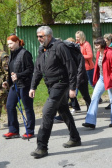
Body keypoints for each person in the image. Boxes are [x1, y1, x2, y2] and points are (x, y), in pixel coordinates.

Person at [29, 26, 81, 159]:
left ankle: (42, 147)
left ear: (49, 36)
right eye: (38, 36)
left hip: (61, 84)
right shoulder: (42, 50)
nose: (39, 39)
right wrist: (33, 87)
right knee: (63, 110)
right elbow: (38, 70)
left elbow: (71, 67)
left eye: (41, 36)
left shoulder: (59, 47)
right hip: (51, 85)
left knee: (47, 112)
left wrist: (72, 88)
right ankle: (75, 138)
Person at [82, 37, 112, 129]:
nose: (95, 47)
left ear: (102, 45)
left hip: (111, 79)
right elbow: (98, 66)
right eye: (95, 45)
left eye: (97, 45)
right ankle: (90, 122)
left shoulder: (110, 53)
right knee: (94, 98)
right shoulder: (99, 53)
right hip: (102, 78)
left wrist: (111, 79)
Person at [2, 35, 35, 139]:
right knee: (10, 106)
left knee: (28, 108)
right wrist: (7, 81)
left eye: (11, 43)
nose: (9, 46)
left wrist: (19, 75)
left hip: (25, 85)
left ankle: (30, 131)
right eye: (8, 44)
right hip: (14, 85)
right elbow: (10, 72)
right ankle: (13, 130)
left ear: (17, 42)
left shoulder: (25, 54)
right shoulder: (11, 55)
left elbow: (30, 69)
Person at [54, 38, 91, 123]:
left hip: (81, 79)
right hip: (70, 79)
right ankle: (63, 116)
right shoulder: (66, 55)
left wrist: (76, 84)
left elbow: (80, 70)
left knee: (85, 96)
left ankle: (91, 112)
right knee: (65, 97)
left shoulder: (78, 55)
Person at [72, 30, 95, 113]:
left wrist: (80, 56)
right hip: (78, 69)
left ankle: (97, 98)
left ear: (82, 37)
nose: (76, 38)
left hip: (88, 68)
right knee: (76, 87)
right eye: (76, 37)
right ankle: (75, 105)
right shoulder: (76, 45)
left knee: (92, 84)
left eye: (78, 37)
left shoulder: (86, 44)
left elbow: (90, 55)